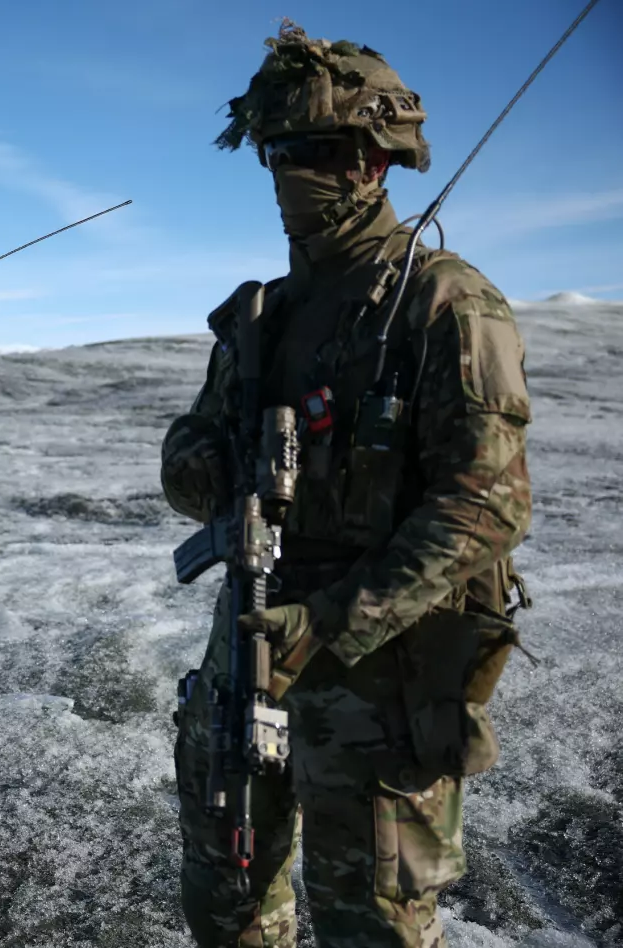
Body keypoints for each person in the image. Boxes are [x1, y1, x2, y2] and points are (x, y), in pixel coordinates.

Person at [161, 23, 533, 948]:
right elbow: (189, 455)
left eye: (321, 153)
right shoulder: (262, 313)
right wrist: (210, 470)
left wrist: (329, 621)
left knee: (373, 921)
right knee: (225, 896)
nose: (295, 176)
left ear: (377, 159)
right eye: (279, 153)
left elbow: (487, 505)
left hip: (378, 673)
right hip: (249, 640)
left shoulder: (442, 300)